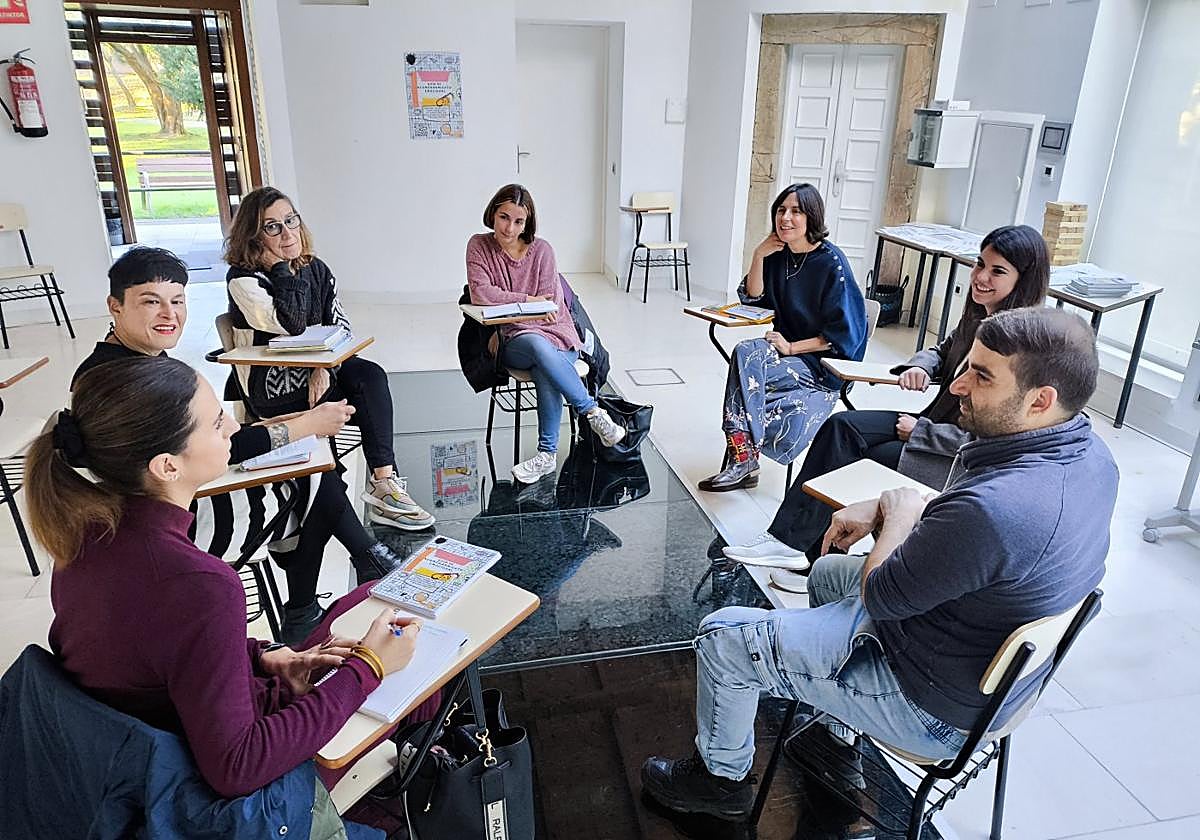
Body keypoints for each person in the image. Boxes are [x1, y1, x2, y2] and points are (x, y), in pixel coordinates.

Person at [641, 307, 1117, 820]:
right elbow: (974, 535)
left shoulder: (997, 510)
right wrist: (890, 505)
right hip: (996, 681)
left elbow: (881, 595)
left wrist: (900, 512)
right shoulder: (1091, 459)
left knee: (723, 637)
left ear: (1040, 400)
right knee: (825, 572)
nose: (957, 386)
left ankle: (721, 783)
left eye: (981, 376)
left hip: (933, 707)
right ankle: (834, 737)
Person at [25, 355, 436, 816]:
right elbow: (236, 767)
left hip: (138, 752)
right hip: (208, 793)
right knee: (423, 668)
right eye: (217, 422)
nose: (230, 431)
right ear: (167, 466)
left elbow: (155, 649)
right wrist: (369, 667)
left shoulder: (83, 541)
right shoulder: (200, 583)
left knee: (368, 598)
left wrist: (260, 655)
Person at [74, 246, 411, 645]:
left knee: (312, 466)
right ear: (115, 306)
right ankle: (326, 590)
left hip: (168, 496)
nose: (169, 314)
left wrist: (279, 427)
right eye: (151, 302)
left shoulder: (134, 362)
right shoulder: (129, 380)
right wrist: (302, 425)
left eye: (178, 300)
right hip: (176, 523)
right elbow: (217, 451)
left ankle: (330, 588)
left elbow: (209, 435)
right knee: (314, 479)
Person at [723, 224, 1050, 570]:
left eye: (997, 271)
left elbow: (996, 439)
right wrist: (923, 366)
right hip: (930, 424)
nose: (981, 277)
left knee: (864, 459)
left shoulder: (1021, 347)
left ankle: (814, 558)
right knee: (841, 428)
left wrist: (921, 433)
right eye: (979, 264)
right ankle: (788, 543)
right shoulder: (978, 316)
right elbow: (943, 349)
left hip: (950, 453)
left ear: (1024, 279)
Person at [224, 186, 434, 531]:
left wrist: (324, 366)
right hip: (275, 384)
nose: (287, 232)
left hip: (322, 368)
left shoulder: (316, 268)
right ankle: (330, 497)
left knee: (370, 375)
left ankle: (384, 483)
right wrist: (280, 270)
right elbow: (290, 325)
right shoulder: (244, 280)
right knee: (337, 394)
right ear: (254, 236)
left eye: (291, 220)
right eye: (272, 227)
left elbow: (340, 325)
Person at [699, 183, 868, 492]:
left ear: (812, 217)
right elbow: (754, 297)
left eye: (796, 211)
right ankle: (744, 457)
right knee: (745, 352)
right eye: (781, 210)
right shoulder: (779, 254)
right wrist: (759, 254)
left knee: (746, 368)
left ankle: (743, 459)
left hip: (823, 364)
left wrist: (792, 347)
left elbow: (845, 335)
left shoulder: (833, 264)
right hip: (788, 354)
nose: (785, 218)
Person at [466, 183, 626, 483]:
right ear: (492, 213)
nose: (509, 228)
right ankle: (593, 412)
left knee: (544, 361)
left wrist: (520, 306)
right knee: (538, 347)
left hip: (557, 333)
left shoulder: (542, 250)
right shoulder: (479, 245)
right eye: (504, 217)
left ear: (528, 223)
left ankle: (546, 456)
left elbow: (550, 307)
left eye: (518, 221)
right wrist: (527, 302)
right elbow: (481, 294)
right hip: (515, 339)